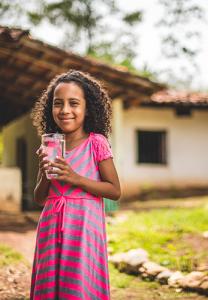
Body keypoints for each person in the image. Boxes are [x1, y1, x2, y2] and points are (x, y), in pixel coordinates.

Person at [30, 69, 121, 299]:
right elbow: (40, 199)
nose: (65, 110)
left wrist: (75, 178)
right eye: (58, 103)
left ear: (87, 107)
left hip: (83, 229)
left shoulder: (96, 143)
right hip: (51, 226)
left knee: (77, 286)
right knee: (50, 286)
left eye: (74, 103)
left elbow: (114, 190)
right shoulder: (49, 145)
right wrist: (43, 174)